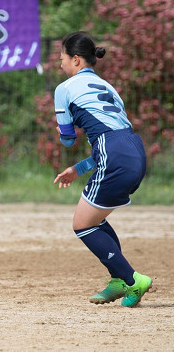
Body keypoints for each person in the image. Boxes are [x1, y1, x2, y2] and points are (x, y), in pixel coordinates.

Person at [53, 31, 152, 307]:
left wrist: (62, 121)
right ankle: (118, 279)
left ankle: (132, 280)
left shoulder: (64, 89)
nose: (60, 64)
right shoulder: (108, 86)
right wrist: (78, 168)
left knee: (82, 225)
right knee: (94, 220)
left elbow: (68, 139)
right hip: (134, 150)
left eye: (61, 58)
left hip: (113, 153)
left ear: (75, 59)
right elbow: (112, 136)